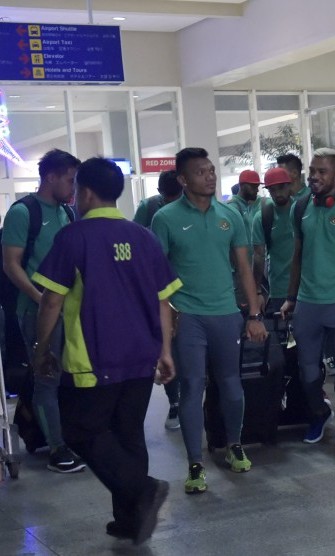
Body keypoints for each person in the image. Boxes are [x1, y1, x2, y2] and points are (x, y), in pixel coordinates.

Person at [31, 157, 180, 545]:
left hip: (93, 358)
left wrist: (42, 347)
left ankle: (142, 490)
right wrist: (165, 351)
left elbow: (51, 302)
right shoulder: (143, 236)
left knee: (80, 431)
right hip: (141, 355)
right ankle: (131, 520)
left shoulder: (74, 237)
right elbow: (164, 302)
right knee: (128, 435)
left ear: (86, 192)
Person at [151, 147, 267, 494]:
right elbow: (157, 274)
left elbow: (244, 267)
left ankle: (233, 445)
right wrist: (166, 317)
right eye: (201, 172)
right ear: (183, 180)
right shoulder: (166, 218)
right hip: (187, 316)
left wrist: (254, 314)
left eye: (212, 170)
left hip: (226, 314)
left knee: (231, 385)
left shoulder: (229, 216)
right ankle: (195, 463)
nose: (210, 176)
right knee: (192, 388)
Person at [1, 148, 86, 473]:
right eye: (69, 180)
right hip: (36, 311)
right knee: (47, 376)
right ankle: (57, 448)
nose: (73, 187)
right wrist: (40, 299)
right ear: (50, 176)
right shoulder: (24, 212)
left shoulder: (67, 213)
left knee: (71, 375)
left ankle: (68, 436)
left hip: (70, 309)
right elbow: (11, 265)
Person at [280, 148, 335, 450]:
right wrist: (291, 297)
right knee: (307, 371)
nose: (315, 176)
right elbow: (297, 256)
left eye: (322, 172)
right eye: (312, 171)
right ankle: (320, 412)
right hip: (307, 303)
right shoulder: (300, 206)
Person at [133, 169, 183, 431]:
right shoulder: (149, 208)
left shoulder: (190, 205)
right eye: (168, 197)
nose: (173, 202)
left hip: (188, 287)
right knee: (168, 346)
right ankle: (173, 403)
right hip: (162, 289)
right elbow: (135, 242)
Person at [252, 167, 294, 312]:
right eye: (272, 190)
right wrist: (257, 292)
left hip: (308, 289)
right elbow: (258, 256)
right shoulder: (262, 217)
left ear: (289, 185)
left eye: (281, 187)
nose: (277, 193)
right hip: (279, 290)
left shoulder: (303, 211)